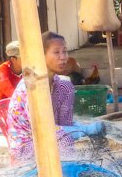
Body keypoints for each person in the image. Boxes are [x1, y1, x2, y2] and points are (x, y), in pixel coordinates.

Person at [6, 32, 76, 164]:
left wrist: (76, 130)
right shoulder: (31, 86)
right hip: (26, 147)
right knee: (64, 138)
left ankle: (67, 169)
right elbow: (42, 128)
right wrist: (72, 132)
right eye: (56, 52)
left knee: (66, 85)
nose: (63, 57)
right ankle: (65, 175)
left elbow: (65, 125)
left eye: (65, 51)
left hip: (50, 137)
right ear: (41, 55)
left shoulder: (61, 85)